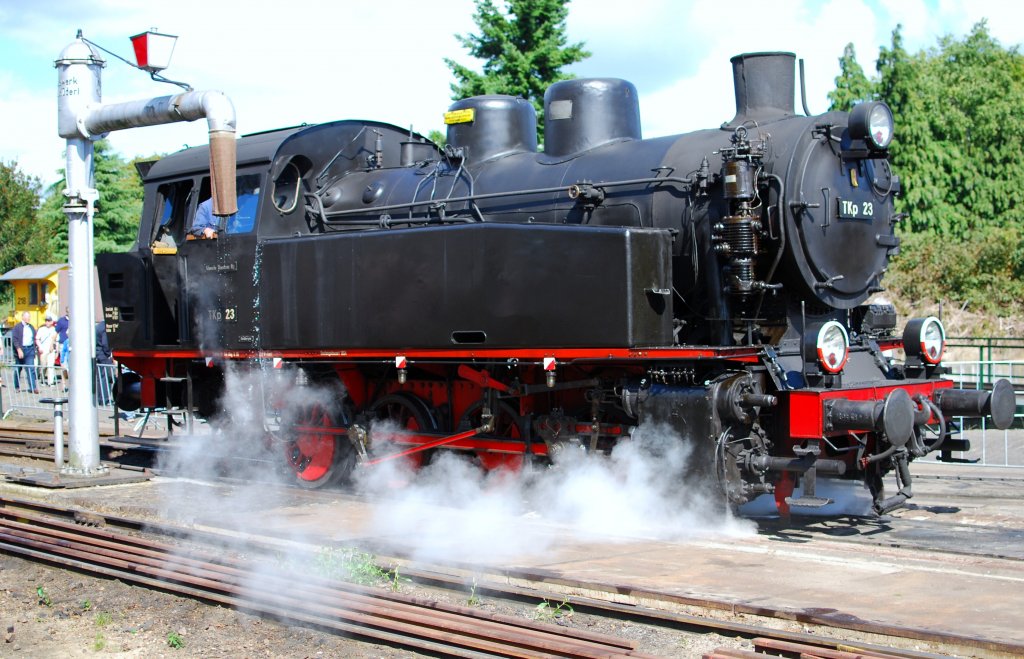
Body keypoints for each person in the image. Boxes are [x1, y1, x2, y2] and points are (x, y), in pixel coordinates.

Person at [10, 312, 38, 393]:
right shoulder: (17, 327)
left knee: (31, 369)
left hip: (29, 350)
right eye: (26, 317)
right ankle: (17, 386)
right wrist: (18, 349)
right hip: (20, 350)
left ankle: (33, 387)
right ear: (22, 317)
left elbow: (34, 338)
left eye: (29, 317)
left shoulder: (31, 327)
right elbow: (14, 340)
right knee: (18, 369)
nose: (28, 318)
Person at [95, 321, 115, 406]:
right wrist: (109, 354)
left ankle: (102, 398)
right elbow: (106, 344)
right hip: (104, 356)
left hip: (100, 354)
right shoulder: (106, 327)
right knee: (106, 378)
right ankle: (104, 399)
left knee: (103, 377)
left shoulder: (100, 325)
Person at [36, 314, 58, 386]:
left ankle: (50, 382)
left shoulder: (55, 330)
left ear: (52, 322)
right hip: (43, 350)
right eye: (46, 321)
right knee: (43, 366)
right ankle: (42, 379)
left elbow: (57, 341)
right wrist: (40, 347)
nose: (47, 322)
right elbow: (37, 339)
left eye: (49, 321)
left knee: (50, 366)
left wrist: (57, 350)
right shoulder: (41, 329)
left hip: (51, 350)